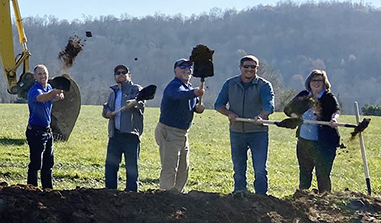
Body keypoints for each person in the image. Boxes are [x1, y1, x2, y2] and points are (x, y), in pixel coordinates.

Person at [214, 55, 275, 195]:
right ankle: (239, 193)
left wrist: (262, 116)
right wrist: (229, 114)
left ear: (257, 68)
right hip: (237, 132)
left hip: (258, 132)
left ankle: (261, 196)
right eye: (246, 66)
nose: (249, 69)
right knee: (239, 167)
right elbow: (218, 105)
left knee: (260, 168)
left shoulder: (264, 85)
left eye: (253, 67)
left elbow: (269, 105)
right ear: (240, 68)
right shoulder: (230, 84)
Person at [285, 70, 340, 193]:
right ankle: (303, 199)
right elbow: (288, 109)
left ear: (324, 83)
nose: (316, 83)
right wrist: (296, 116)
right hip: (304, 141)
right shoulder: (304, 96)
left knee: (323, 173)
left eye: (319, 80)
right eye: (313, 80)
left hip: (325, 143)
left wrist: (333, 120)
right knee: (304, 172)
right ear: (309, 82)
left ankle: (325, 199)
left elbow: (336, 111)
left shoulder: (328, 98)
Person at [156, 59, 206, 192]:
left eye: (189, 67)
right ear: (175, 71)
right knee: (170, 167)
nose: (187, 69)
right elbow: (177, 96)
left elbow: (192, 105)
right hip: (169, 131)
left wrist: (199, 108)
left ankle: (177, 194)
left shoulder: (189, 87)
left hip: (183, 133)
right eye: (182, 66)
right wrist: (194, 93)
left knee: (183, 167)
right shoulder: (174, 86)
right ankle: (165, 195)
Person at [101, 64, 144, 191]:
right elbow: (106, 107)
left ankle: (131, 194)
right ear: (115, 76)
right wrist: (107, 113)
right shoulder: (113, 93)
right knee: (111, 166)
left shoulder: (135, 89)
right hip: (115, 135)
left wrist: (134, 103)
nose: (121, 74)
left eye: (123, 72)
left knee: (131, 168)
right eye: (118, 73)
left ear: (128, 75)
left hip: (131, 135)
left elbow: (141, 102)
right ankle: (110, 192)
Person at [25, 64, 65, 189]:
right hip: (35, 131)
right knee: (36, 163)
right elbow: (42, 98)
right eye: (40, 74)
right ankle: (32, 189)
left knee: (48, 163)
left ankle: (48, 189)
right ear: (35, 77)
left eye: (45, 73)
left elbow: (51, 98)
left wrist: (58, 96)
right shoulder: (34, 91)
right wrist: (54, 93)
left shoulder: (48, 87)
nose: (43, 76)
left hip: (47, 130)